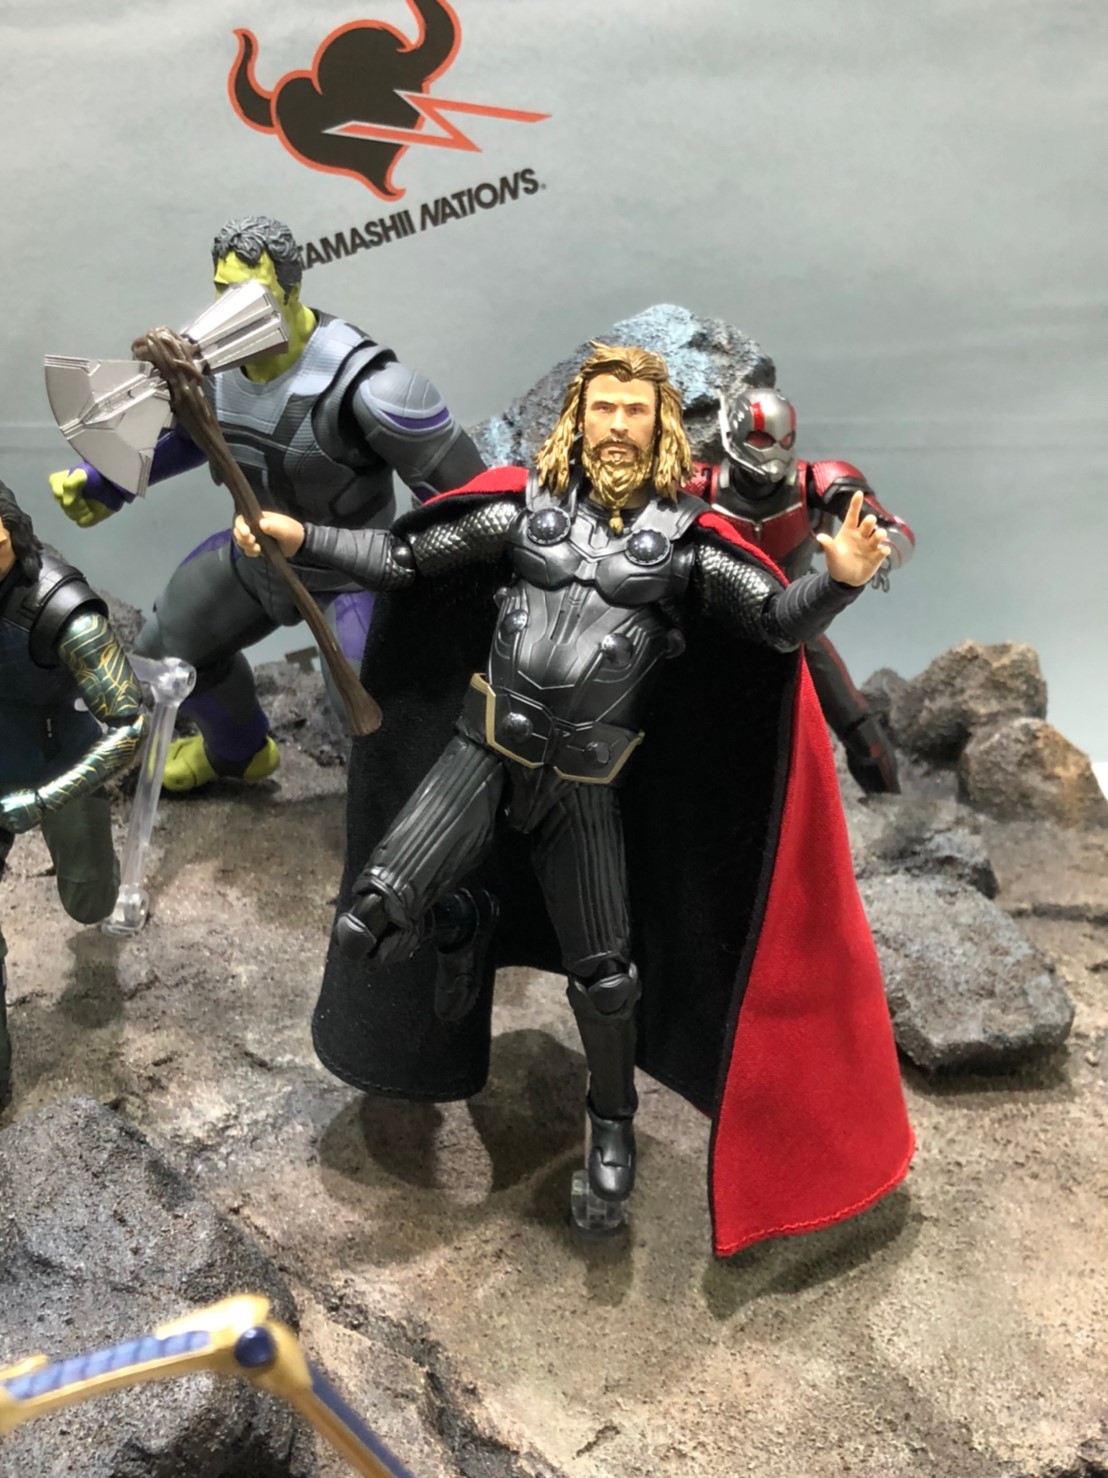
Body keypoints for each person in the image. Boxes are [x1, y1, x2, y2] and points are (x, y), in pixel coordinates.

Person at [234, 342, 914, 1256]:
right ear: (578, 419)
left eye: (635, 411)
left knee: (606, 979)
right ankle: (462, 927)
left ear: (661, 427)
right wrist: (302, 541)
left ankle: (611, 1122)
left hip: (586, 788)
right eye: (604, 408)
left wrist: (837, 582)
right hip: (480, 755)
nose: (618, 426)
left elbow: (771, 622)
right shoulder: (526, 510)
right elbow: (403, 557)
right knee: (366, 924)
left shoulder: (686, 543)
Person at [50, 214, 485, 792]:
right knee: (170, 648)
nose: (231, 307)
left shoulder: (368, 387)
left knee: (369, 701)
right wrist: (106, 483)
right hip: (257, 561)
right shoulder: (209, 367)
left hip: (350, 576)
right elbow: (196, 435)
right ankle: (238, 751)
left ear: (290, 290)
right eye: (222, 289)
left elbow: (472, 505)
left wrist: (440, 589)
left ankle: (410, 813)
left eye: (250, 292)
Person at [684, 383, 916, 793]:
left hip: (796, 622)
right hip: (715, 630)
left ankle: (889, 806)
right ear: (734, 433)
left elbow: (893, 530)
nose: (773, 451)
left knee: (859, 726)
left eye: (784, 440)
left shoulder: (817, 481)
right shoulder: (698, 485)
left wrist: (877, 552)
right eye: (761, 438)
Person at [0, 483, 146, 1106]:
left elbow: (129, 725)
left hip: (59, 758)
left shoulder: (65, 614)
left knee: (89, 900)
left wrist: (41, 800)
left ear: (12, 534)